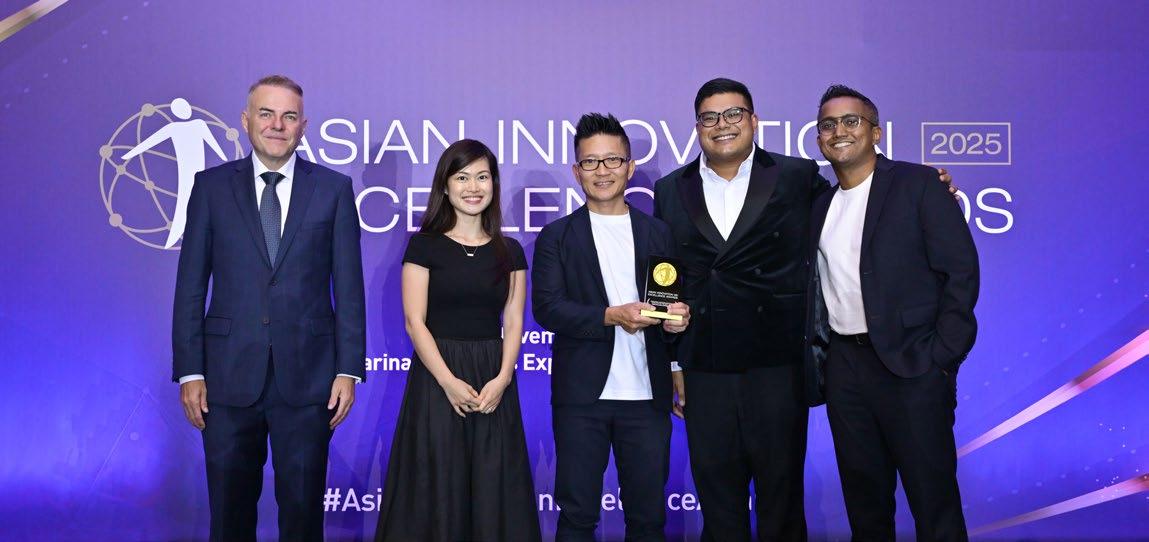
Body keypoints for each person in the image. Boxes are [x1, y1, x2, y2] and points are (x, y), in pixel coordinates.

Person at [653, 78, 953, 541]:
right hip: (705, 365)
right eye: (709, 117)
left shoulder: (796, 176)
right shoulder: (671, 188)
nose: (722, 125)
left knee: (782, 500)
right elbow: (669, 276)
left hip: (778, 365)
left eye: (733, 114)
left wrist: (926, 186)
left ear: (754, 121)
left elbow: (859, 202)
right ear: (697, 128)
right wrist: (675, 360)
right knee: (718, 501)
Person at [172, 75, 366, 542]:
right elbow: (190, 286)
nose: (277, 125)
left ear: (303, 126)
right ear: (245, 120)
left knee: (302, 516)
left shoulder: (334, 189)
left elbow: (349, 287)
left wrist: (348, 369)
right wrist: (190, 370)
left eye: (288, 116)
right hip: (225, 378)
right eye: (266, 113)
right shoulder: (211, 187)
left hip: (310, 379)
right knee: (229, 515)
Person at [807, 84, 978, 541]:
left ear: (876, 132)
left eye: (851, 121)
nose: (839, 131)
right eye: (828, 124)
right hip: (846, 369)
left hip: (914, 365)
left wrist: (942, 358)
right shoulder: (818, 204)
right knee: (865, 508)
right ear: (819, 138)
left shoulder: (918, 185)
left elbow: (961, 273)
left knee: (934, 505)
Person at [532, 114, 690, 542]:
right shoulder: (557, 236)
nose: (602, 171)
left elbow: (668, 310)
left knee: (648, 519)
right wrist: (611, 316)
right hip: (582, 398)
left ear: (630, 166)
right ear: (576, 171)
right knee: (577, 517)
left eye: (613, 160)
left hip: (647, 397)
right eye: (591, 162)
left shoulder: (658, 233)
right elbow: (548, 309)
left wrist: (677, 322)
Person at [376, 139, 540, 542]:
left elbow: (514, 320)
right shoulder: (424, 245)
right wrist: (448, 381)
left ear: (494, 184)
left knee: (493, 483)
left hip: (492, 379)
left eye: (482, 177)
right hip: (437, 377)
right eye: (462, 177)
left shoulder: (510, 251)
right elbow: (415, 322)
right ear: (445, 186)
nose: (473, 187)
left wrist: (503, 378)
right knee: (436, 485)